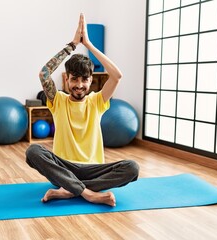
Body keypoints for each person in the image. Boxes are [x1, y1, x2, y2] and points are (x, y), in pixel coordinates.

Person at [25, 13, 139, 207]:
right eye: (74, 79)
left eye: (84, 79)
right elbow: (44, 73)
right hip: (63, 167)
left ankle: (70, 190)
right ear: (67, 79)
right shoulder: (58, 100)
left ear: (90, 80)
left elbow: (117, 76)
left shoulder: (97, 101)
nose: (79, 85)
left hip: (93, 169)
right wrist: (72, 45)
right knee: (33, 151)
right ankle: (88, 193)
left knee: (132, 168)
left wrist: (89, 45)